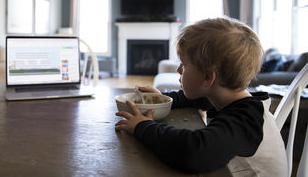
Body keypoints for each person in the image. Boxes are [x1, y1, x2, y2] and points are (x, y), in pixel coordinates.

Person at [115, 17, 287, 176]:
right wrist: (163, 99)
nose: (178, 70)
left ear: (207, 77)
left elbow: (194, 152)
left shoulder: (245, 120)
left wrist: (143, 126)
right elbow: (195, 98)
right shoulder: (227, 97)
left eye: (183, 64)